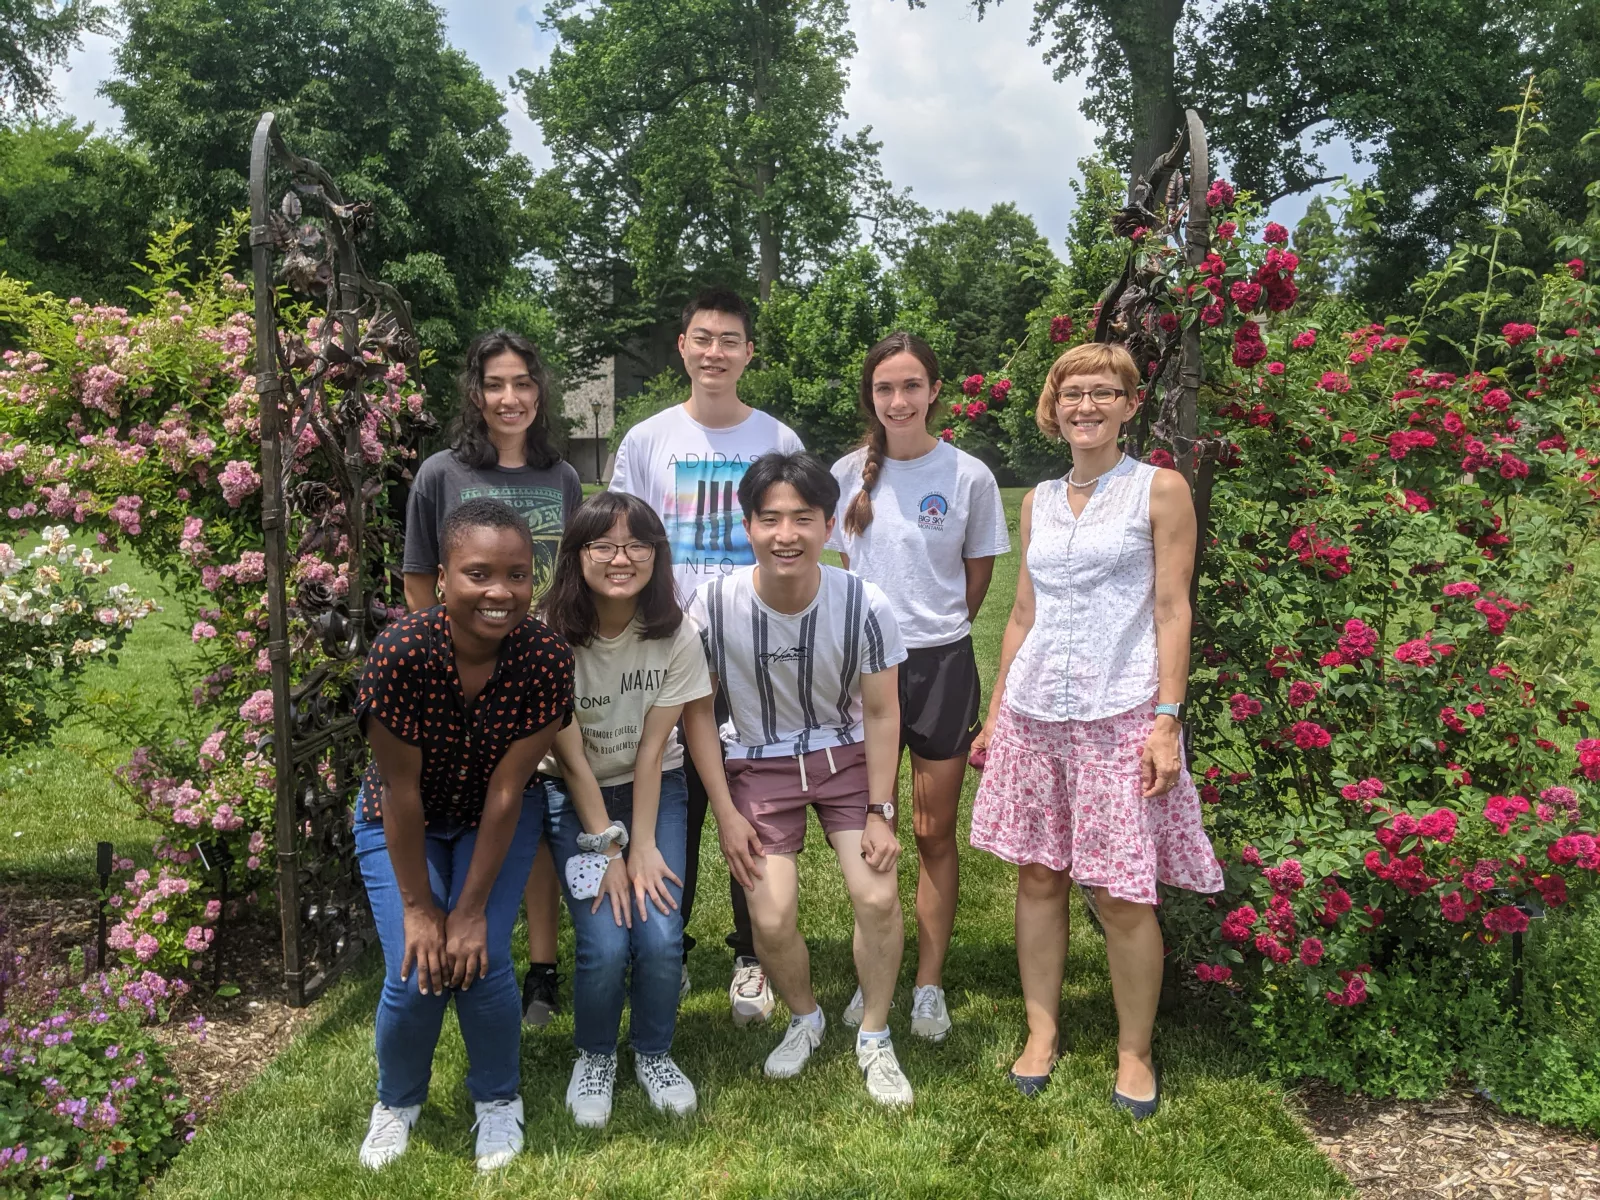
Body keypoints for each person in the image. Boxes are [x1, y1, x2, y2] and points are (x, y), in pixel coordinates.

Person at [969, 341, 1223, 1114]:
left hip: (1122, 713)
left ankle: (1133, 1051)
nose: (1086, 405)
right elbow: (1022, 613)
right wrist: (995, 712)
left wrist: (1168, 720)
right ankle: (1041, 1034)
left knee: (1119, 892)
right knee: (1039, 877)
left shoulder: (1160, 490)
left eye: (1102, 392)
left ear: (1129, 403)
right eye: (1072, 392)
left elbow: (1173, 609)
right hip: (1037, 712)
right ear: (1055, 405)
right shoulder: (1038, 500)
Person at [686, 451, 915, 1107]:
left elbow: (880, 711)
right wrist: (727, 813)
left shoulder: (864, 602)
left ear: (828, 524)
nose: (786, 534)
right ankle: (807, 1016)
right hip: (758, 764)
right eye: (770, 519)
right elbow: (698, 714)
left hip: (846, 763)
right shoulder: (712, 605)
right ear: (747, 526)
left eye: (802, 519)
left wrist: (881, 809)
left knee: (875, 897)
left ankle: (874, 1032)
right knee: (773, 912)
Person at [354, 498, 575, 1170]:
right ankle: (396, 1102)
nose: (500, 592)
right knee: (417, 967)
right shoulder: (402, 654)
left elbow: (510, 789)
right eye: (478, 573)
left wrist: (471, 911)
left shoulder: (543, 657)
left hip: (497, 818)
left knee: (479, 967)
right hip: (401, 818)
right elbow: (400, 790)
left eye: (516, 574)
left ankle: (498, 1100)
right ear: (442, 578)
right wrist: (423, 910)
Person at [610, 289, 804, 1025]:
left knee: (753, 804)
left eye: (731, 339)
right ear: (682, 348)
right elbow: (625, 546)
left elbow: (800, 541)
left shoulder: (777, 438)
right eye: (703, 338)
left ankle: (752, 954)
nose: (716, 351)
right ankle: (668, 945)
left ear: (749, 353)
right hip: (669, 649)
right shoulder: (648, 440)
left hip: (758, 655)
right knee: (670, 802)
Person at [828, 332, 1010, 1044]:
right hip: (863, 670)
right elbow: (847, 568)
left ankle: (928, 984)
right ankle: (875, 970)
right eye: (884, 389)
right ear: (871, 397)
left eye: (911, 386)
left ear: (935, 391)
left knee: (934, 833)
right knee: (868, 832)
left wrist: (933, 632)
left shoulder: (968, 476)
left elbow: (976, 579)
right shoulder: (847, 475)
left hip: (940, 668)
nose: (898, 400)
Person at [402, 329, 583, 1029]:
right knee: (481, 810)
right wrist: (453, 668)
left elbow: (570, 577)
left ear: (540, 393)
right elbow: (420, 579)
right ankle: (450, 941)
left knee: (533, 817)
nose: (510, 399)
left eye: (523, 384)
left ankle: (543, 971)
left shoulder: (562, 477)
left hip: (537, 676)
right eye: (495, 385)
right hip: (464, 679)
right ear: (474, 395)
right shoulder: (440, 475)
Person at [538, 492, 711, 1127]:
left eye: (637, 544)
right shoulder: (548, 634)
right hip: (572, 791)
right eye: (603, 545)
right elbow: (572, 755)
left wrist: (641, 846)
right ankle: (595, 1057)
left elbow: (651, 751)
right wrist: (609, 848)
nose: (621, 558)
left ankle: (654, 1052)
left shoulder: (676, 631)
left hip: (653, 785)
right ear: (576, 555)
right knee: (606, 940)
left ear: (657, 555)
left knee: (662, 930)